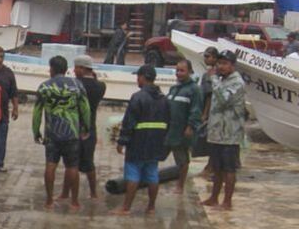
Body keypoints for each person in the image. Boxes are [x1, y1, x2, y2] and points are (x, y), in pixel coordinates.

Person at [32, 55, 92, 211]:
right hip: (72, 133)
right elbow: (85, 108)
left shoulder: (44, 87)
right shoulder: (76, 85)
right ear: (66, 70)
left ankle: (49, 201)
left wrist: (36, 131)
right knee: (72, 167)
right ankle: (74, 201)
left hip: (52, 134)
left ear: (52, 69)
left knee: (50, 165)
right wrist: (86, 126)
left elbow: (37, 112)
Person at [113, 64, 171, 215]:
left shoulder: (137, 97)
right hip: (156, 144)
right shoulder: (164, 99)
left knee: (132, 175)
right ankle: (151, 207)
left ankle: (126, 208)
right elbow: (169, 122)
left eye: (138, 77)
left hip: (138, 143)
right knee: (152, 174)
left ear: (143, 77)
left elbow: (129, 123)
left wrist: (122, 141)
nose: (137, 80)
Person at [203, 50, 248, 211]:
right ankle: (214, 197)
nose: (220, 67)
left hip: (230, 134)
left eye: (224, 64)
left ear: (232, 65)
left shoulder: (237, 83)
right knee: (217, 168)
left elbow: (223, 100)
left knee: (229, 168)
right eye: (219, 63)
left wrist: (214, 79)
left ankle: (227, 201)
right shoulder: (222, 80)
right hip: (217, 133)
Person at [72, 55, 107, 204]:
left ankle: (68, 193)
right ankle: (93, 192)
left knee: (72, 163)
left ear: (81, 68)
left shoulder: (74, 85)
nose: (74, 71)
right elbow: (98, 83)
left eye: (76, 67)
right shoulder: (100, 86)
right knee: (89, 162)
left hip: (75, 126)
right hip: (90, 128)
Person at [165, 57, 202, 188]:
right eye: (177, 70)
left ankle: (180, 186)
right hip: (170, 130)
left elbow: (196, 110)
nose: (179, 73)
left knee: (182, 159)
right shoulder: (174, 88)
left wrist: (190, 127)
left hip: (182, 131)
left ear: (190, 72)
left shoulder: (194, 90)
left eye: (182, 71)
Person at [0, 46, 19, 171]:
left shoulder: (8, 73)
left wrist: (16, 108)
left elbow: (14, 92)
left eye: (1, 57)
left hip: (3, 114)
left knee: (1, 140)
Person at [195, 47, 220, 181]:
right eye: (205, 56)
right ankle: (210, 166)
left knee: (211, 140)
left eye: (208, 56)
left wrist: (205, 114)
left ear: (215, 58)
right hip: (209, 109)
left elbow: (210, 96)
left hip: (211, 112)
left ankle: (211, 166)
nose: (206, 59)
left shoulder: (213, 74)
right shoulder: (209, 73)